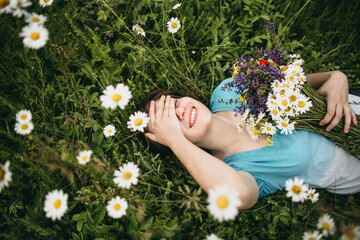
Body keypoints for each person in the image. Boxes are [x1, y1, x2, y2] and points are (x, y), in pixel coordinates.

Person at [141, 71, 360, 210]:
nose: (180, 111)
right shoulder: (238, 170)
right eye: (171, 121)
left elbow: (297, 83)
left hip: (353, 106)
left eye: (175, 103)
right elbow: (238, 195)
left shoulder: (229, 91)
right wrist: (176, 140)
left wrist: (335, 77)